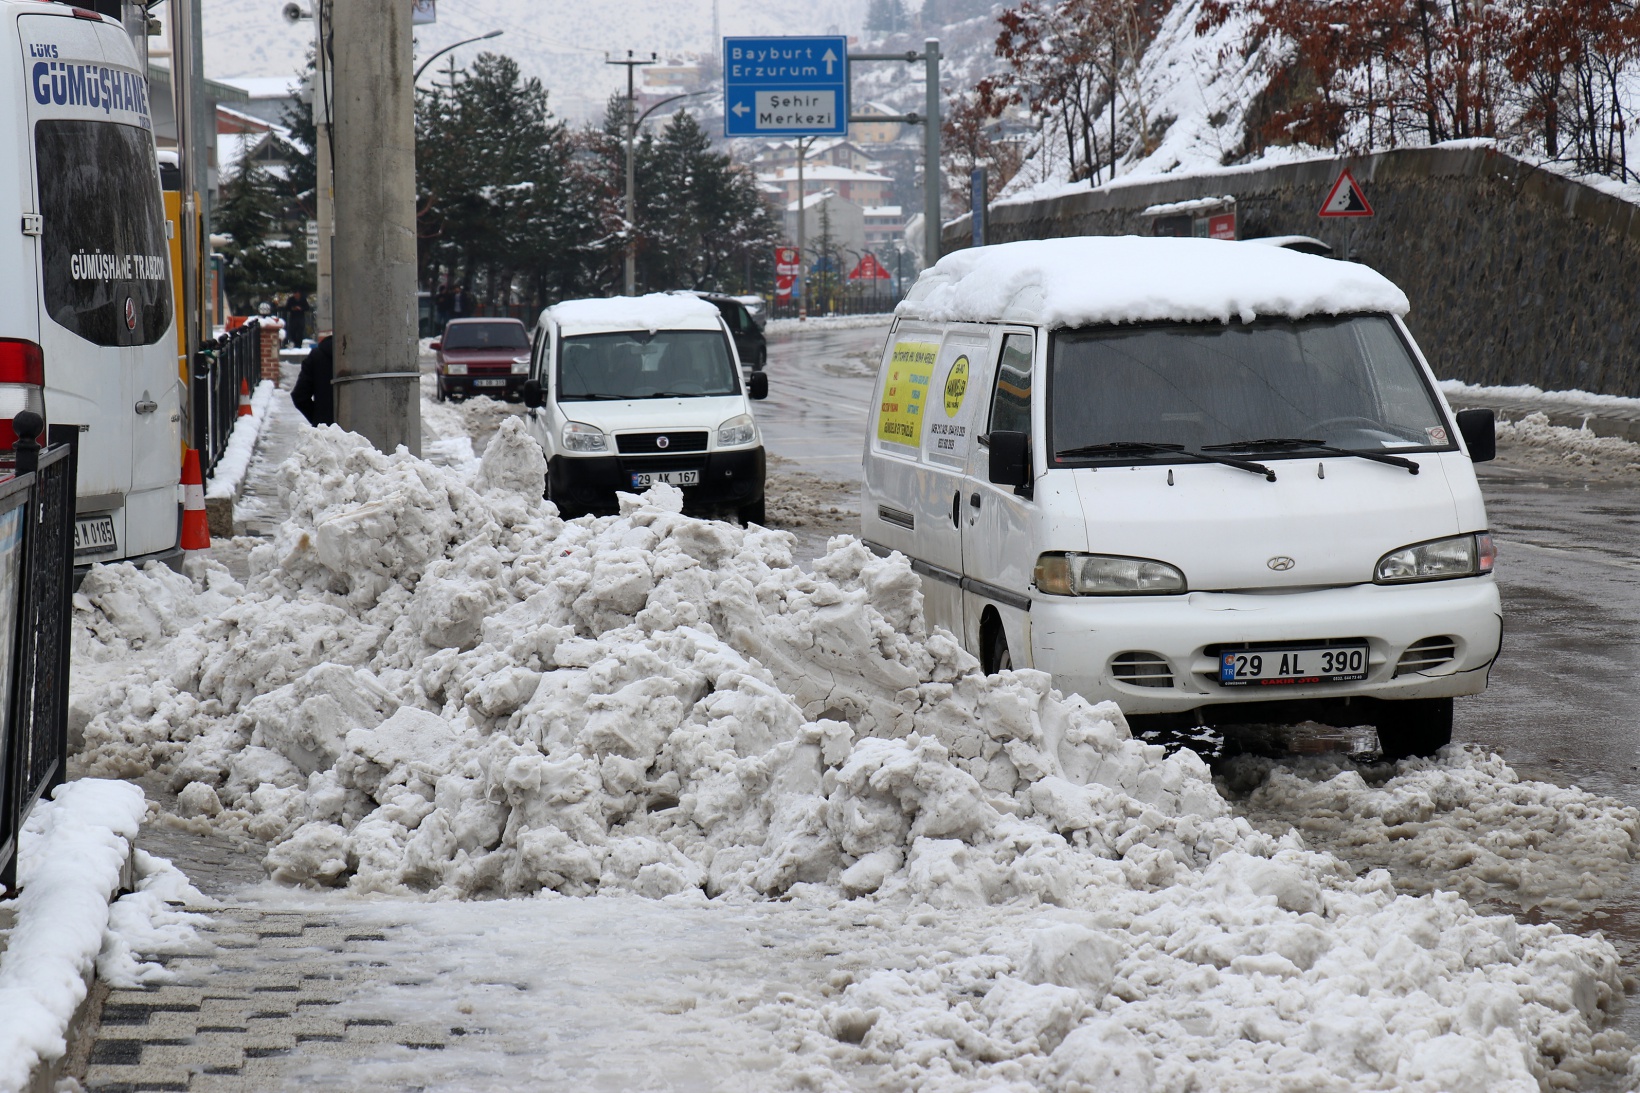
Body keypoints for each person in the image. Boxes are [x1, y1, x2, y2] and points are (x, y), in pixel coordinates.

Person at [291, 335, 334, 426]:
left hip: (325, 430)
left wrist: (318, 418)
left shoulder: (316, 356)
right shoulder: (367, 357)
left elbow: (299, 396)